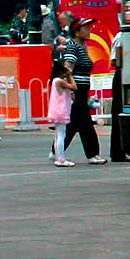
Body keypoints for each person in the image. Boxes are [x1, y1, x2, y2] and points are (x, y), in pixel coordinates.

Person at [59, 16, 106, 163]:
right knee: (85, 123)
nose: (89, 30)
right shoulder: (73, 47)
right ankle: (92, 154)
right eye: (85, 28)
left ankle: (57, 150)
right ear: (77, 31)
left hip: (82, 90)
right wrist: (71, 90)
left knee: (74, 123)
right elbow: (67, 69)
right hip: (77, 90)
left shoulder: (81, 47)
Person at [47, 56, 77, 166]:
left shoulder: (55, 81)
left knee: (58, 135)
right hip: (61, 111)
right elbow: (74, 87)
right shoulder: (59, 81)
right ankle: (60, 159)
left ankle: (59, 157)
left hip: (56, 111)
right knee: (61, 135)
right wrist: (70, 75)